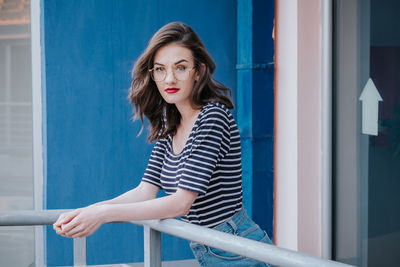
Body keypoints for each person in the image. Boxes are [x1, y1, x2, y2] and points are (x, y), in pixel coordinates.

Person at [54, 21, 273, 267]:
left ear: (198, 71)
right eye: (160, 69)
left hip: (237, 247)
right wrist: (87, 211)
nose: (169, 78)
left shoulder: (213, 117)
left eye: (181, 67)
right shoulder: (171, 122)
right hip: (211, 247)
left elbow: (181, 203)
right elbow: (144, 191)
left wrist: (102, 215)